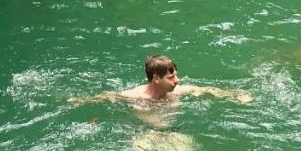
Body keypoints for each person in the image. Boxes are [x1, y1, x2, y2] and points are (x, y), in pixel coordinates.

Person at [74, 54, 252, 105]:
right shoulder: (136, 96)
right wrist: (82, 101)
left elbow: (207, 89)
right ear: (156, 79)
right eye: (171, 77)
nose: (177, 81)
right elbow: (108, 96)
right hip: (145, 135)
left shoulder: (179, 92)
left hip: (171, 133)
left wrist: (235, 95)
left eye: (175, 75)